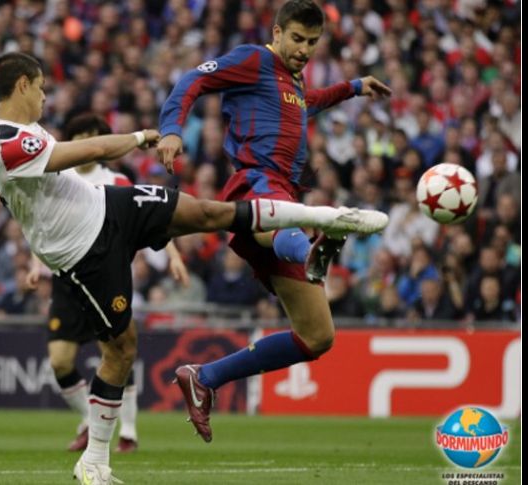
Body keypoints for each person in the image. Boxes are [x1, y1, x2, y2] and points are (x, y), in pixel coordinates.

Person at [0, 52, 386, 484]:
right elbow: (90, 151)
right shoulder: (13, 145)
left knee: (207, 213)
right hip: (82, 250)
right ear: (23, 87)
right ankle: (94, 461)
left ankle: (325, 219)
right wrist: (138, 136)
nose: (46, 97)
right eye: (42, 88)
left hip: (109, 205)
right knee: (122, 349)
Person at [156, 0, 392, 444]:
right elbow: (194, 79)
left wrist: (355, 87)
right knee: (279, 222)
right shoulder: (254, 59)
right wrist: (171, 127)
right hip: (255, 183)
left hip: (283, 197)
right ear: (278, 33)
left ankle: (203, 376)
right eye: (297, 39)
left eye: (312, 42)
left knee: (318, 336)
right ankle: (310, 248)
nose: (304, 49)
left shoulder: (294, 82)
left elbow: (310, 102)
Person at [25, 113, 190, 454]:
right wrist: (33, 263)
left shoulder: (116, 179)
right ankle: (91, 420)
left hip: (104, 271)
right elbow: (42, 222)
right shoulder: (57, 174)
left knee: (114, 350)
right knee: (60, 361)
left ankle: (127, 431)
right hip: (66, 277)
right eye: (81, 135)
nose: (88, 141)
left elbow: (151, 214)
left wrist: (173, 254)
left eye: (93, 135)